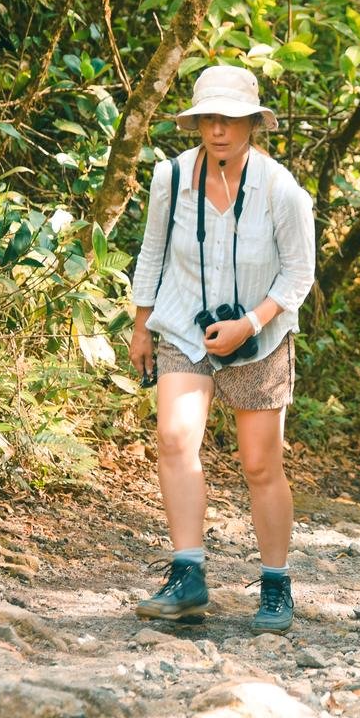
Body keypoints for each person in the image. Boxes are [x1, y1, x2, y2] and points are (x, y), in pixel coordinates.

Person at [126, 64, 316, 633]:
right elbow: (152, 252)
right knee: (174, 438)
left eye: (230, 119)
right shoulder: (172, 178)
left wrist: (250, 323)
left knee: (260, 464)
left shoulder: (281, 189)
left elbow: (299, 275)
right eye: (209, 117)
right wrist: (141, 324)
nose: (218, 130)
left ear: (252, 124)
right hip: (184, 323)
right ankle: (189, 575)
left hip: (259, 335)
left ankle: (276, 583)